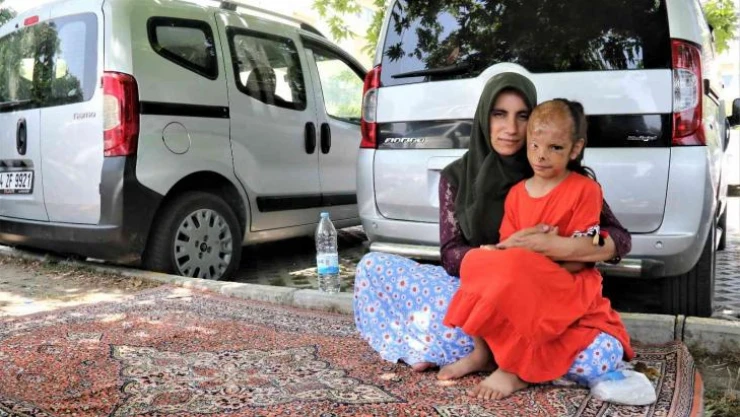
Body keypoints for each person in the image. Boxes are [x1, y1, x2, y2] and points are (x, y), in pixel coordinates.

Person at [353, 72, 632, 376]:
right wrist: (489, 253)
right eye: (499, 114)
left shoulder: (558, 172)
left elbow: (616, 237)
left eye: (522, 116)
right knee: (374, 267)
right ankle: (489, 350)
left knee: (599, 354)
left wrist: (562, 246)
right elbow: (451, 255)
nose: (511, 129)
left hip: (547, 293)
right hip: (485, 284)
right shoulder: (457, 176)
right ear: (484, 116)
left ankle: (480, 352)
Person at [443, 98, 634, 400]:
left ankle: (513, 369)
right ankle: (482, 352)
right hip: (516, 276)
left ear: (574, 149)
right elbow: (503, 250)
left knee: (517, 274)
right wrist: (501, 253)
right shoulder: (514, 193)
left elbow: (595, 244)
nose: (541, 155)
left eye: (554, 148)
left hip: (562, 281)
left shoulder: (585, 189)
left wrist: (555, 248)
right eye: (535, 146)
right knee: (478, 260)